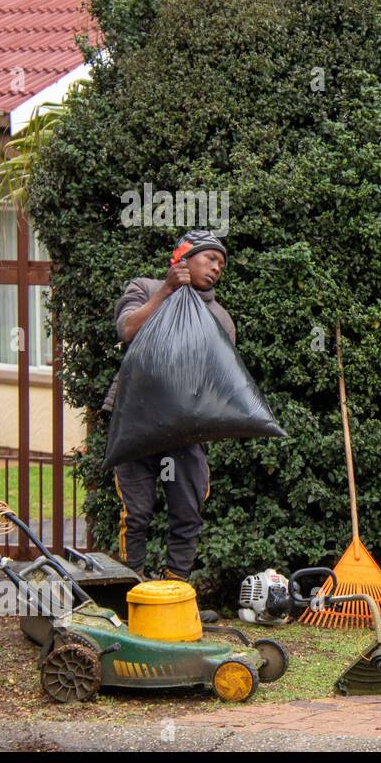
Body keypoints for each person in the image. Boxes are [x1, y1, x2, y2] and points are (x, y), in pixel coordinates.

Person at [101, 231, 232, 584]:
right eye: (210, 259)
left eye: (221, 263)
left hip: (185, 430)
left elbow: (222, 380)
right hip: (136, 420)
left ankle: (175, 591)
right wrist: (166, 291)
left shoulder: (220, 318)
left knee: (187, 510)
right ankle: (132, 589)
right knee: (138, 511)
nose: (217, 267)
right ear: (183, 257)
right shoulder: (144, 288)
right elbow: (128, 329)